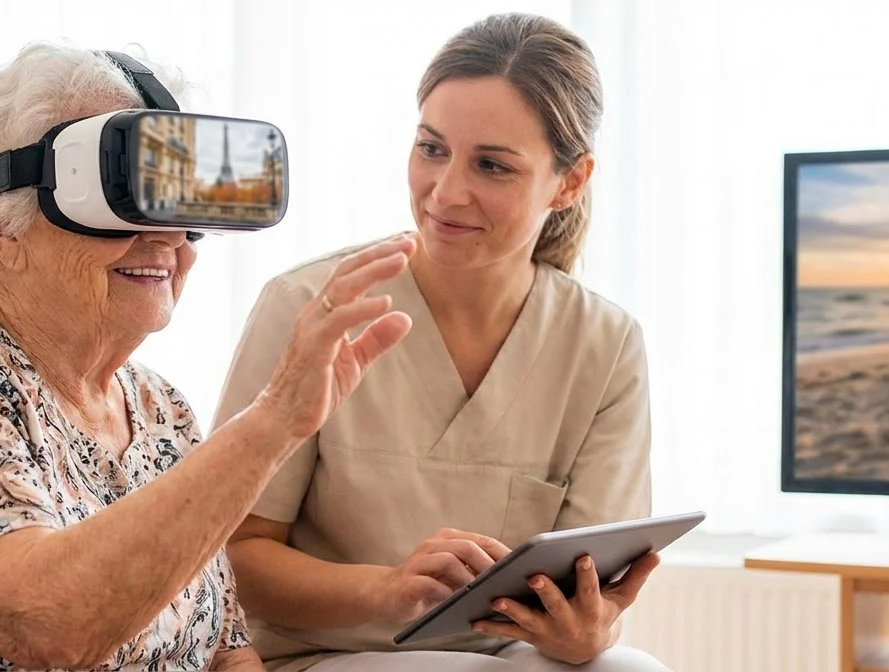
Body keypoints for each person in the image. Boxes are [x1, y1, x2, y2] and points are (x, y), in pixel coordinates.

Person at [0, 43, 421, 672]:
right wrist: (275, 419)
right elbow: (47, 631)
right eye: (118, 196)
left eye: (178, 202)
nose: (166, 238)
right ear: (4, 232)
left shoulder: (161, 409)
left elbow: (226, 648)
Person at [213, 14, 670, 672]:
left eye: (491, 165)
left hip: (509, 657)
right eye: (432, 149)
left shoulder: (605, 345)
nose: (446, 192)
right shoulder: (311, 307)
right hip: (326, 656)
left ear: (569, 183)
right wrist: (386, 590)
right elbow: (231, 558)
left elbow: (595, 598)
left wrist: (590, 635)